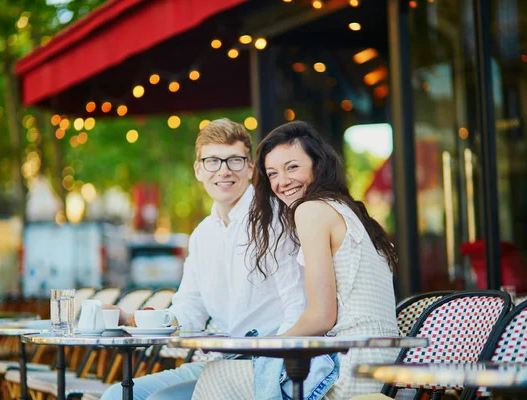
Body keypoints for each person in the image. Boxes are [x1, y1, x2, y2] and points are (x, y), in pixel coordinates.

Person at [100, 118, 307, 400]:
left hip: (266, 367)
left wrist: (275, 370)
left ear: (249, 167)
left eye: (234, 160)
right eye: (212, 161)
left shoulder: (274, 219)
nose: (223, 171)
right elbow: (189, 312)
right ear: (198, 169)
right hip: (221, 363)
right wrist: (133, 318)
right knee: (116, 395)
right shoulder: (201, 235)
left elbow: (298, 307)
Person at [248, 121, 399, 399]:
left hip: (349, 367)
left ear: (317, 165)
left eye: (292, 167)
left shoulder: (311, 211)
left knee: (217, 374)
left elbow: (321, 316)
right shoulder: (350, 211)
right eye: (272, 173)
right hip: (383, 364)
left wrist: (270, 345)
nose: (281, 182)